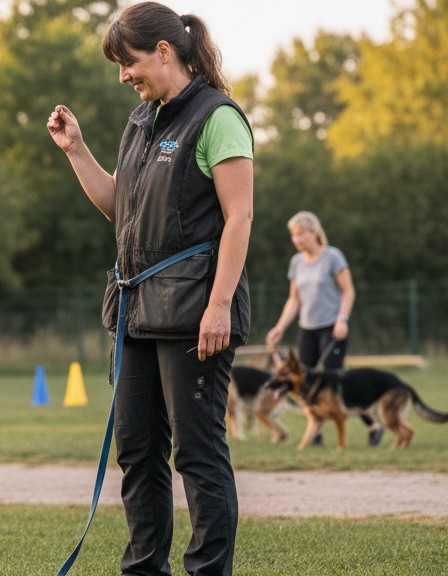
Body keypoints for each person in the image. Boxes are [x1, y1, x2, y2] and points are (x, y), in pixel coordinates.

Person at [47, 3, 253, 575]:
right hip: (136, 312)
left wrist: (219, 308)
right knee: (137, 454)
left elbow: (240, 218)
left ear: (165, 51)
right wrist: (76, 150)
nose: (123, 76)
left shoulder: (218, 118)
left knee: (198, 455)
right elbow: (121, 207)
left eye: (129, 62)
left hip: (195, 314)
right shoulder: (140, 122)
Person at [265, 211, 381, 445]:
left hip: (331, 327)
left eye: (300, 234)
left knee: (333, 384)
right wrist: (279, 326)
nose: (296, 240)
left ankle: (373, 425)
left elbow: (348, 290)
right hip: (307, 328)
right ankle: (316, 434)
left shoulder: (332, 257)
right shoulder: (296, 262)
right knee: (304, 382)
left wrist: (342, 319)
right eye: (293, 236)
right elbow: (294, 299)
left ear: (314, 233)